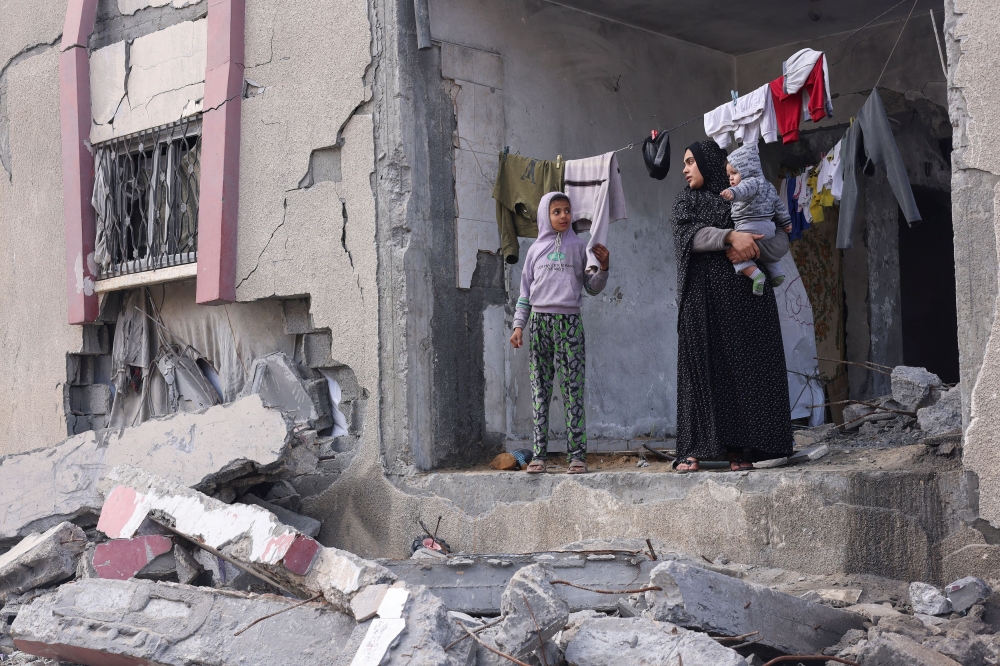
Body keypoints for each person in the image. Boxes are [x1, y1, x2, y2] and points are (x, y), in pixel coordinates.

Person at [670, 140, 793, 473]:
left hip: (746, 306)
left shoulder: (747, 193)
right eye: (685, 162)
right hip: (702, 305)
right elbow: (687, 237)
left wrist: (753, 248)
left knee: (743, 375)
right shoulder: (687, 200)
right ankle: (694, 449)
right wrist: (729, 237)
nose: (685, 169)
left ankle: (742, 450)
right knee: (700, 370)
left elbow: (780, 238)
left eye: (691, 161)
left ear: (710, 163)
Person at [509, 192, 610, 474]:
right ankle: (539, 456)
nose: (564, 216)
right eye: (556, 211)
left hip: (569, 325)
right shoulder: (534, 251)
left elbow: (591, 287)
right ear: (545, 215)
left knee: (572, 390)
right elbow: (525, 294)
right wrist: (518, 326)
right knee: (540, 391)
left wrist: (604, 267)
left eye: (567, 210)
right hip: (539, 325)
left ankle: (577, 456)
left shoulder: (579, 247)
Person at [720, 143, 792, 295]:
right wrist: (786, 223)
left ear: (747, 170)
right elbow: (779, 206)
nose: (731, 178)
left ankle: (756, 275)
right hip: (769, 228)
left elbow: (743, 190)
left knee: (738, 253)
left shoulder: (750, 182)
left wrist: (732, 193)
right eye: (728, 175)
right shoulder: (769, 186)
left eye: (734, 173)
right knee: (769, 258)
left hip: (749, 225)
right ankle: (777, 273)